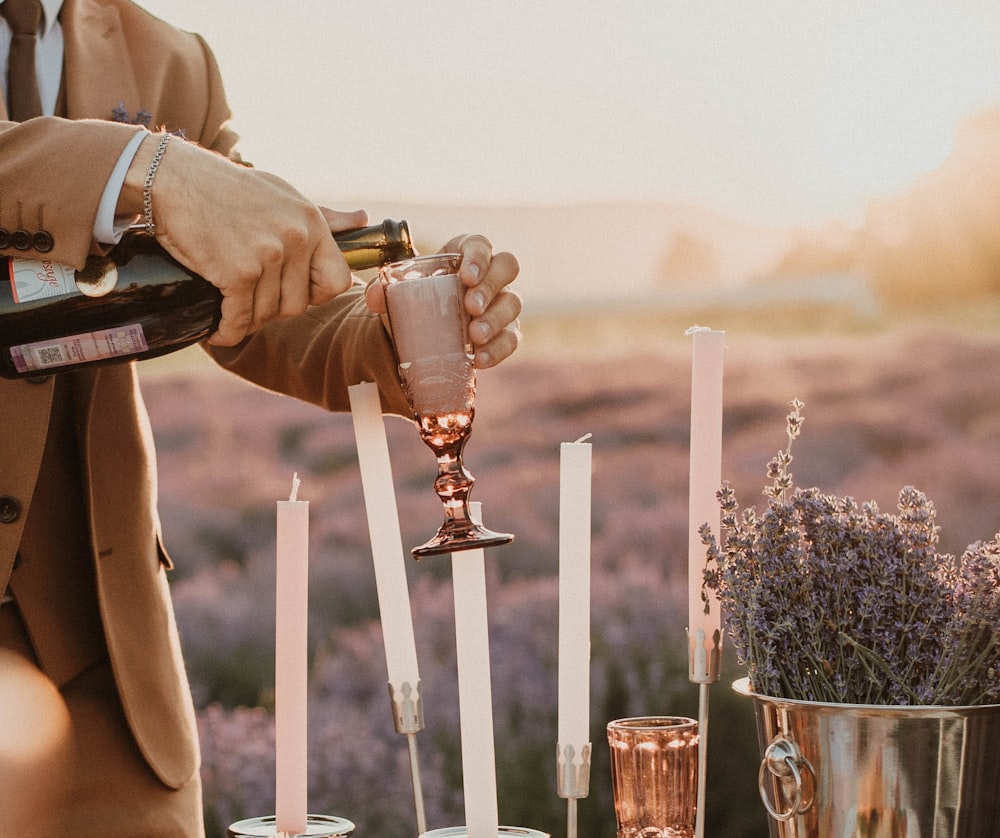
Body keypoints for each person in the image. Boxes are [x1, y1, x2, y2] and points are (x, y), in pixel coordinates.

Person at [0, 1, 522, 835]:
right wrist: (147, 166)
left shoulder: (173, 60)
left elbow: (256, 297)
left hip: (106, 666)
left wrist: (385, 330)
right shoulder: (158, 139)